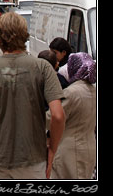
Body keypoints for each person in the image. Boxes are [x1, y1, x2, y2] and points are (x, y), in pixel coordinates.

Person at [0, 12, 65, 180]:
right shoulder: (43, 67)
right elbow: (58, 115)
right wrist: (52, 149)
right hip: (34, 159)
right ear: (25, 35)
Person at [47, 52, 97, 180]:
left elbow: (52, 117)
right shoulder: (93, 90)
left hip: (70, 150)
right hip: (89, 147)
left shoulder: (72, 92)